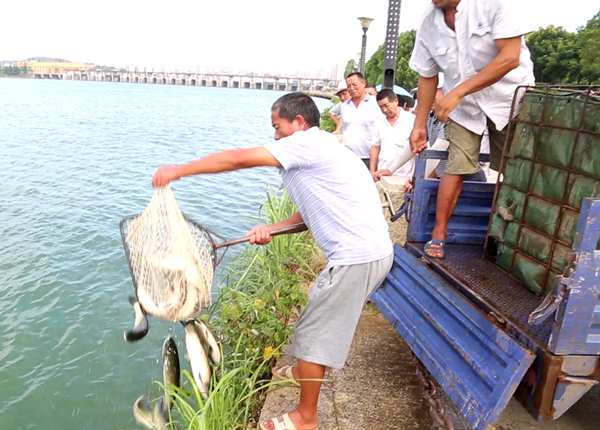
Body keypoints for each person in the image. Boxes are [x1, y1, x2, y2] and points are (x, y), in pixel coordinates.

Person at [152, 92, 393, 430]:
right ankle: (299, 373)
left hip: (356, 257)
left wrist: (180, 170)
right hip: (369, 251)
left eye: (277, 128)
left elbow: (237, 159)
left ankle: (305, 417)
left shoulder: (305, 143)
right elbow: (308, 215)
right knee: (315, 315)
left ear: (299, 122)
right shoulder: (324, 146)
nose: (275, 136)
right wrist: (271, 229)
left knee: (314, 335)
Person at [408, 0, 535, 259]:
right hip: (464, 108)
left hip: (509, 99)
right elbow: (427, 75)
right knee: (457, 165)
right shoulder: (428, 22)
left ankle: (521, 240)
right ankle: (439, 234)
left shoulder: (495, 3)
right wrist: (419, 125)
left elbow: (510, 57)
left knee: (518, 172)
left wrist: (457, 92)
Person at [370, 89, 415, 182]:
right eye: (381, 107)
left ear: (396, 101)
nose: (384, 110)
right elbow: (375, 147)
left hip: (404, 174)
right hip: (382, 173)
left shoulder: (411, 120)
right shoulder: (379, 121)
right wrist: (372, 172)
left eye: (386, 106)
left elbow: (415, 149)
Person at [339, 72, 383, 168]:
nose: (352, 88)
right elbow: (345, 129)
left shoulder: (375, 103)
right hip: (348, 157)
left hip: (369, 158)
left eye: (354, 85)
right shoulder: (344, 106)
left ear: (363, 84)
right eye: (349, 86)